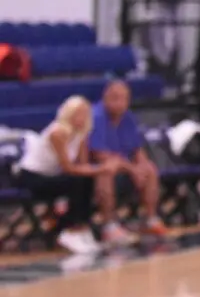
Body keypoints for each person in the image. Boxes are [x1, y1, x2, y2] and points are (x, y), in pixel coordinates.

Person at [16, 95, 119, 253]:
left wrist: (98, 170)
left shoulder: (81, 134)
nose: (82, 118)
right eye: (78, 113)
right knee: (77, 181)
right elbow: (68, 168)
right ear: (68, 114)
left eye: (85, 114)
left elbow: (83, 165)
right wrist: (102, 168)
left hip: (53, 175)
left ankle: (81, 227)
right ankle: (71, 230)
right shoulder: (57, 132)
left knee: (87, 180)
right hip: (33, 177)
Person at [89, 79, 168, 243]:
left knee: (150, 168)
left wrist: (142, 166)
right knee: (107, 169)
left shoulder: (128, 118)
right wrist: (133, 169)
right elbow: (100, 155)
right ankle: (109, 226)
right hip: (94, 171)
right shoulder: (95, 116)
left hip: (124, 168)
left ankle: (150, 219)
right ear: (105, 97)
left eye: (124, 99)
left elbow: (137, 149)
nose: (119, 103)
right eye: (115, 98)